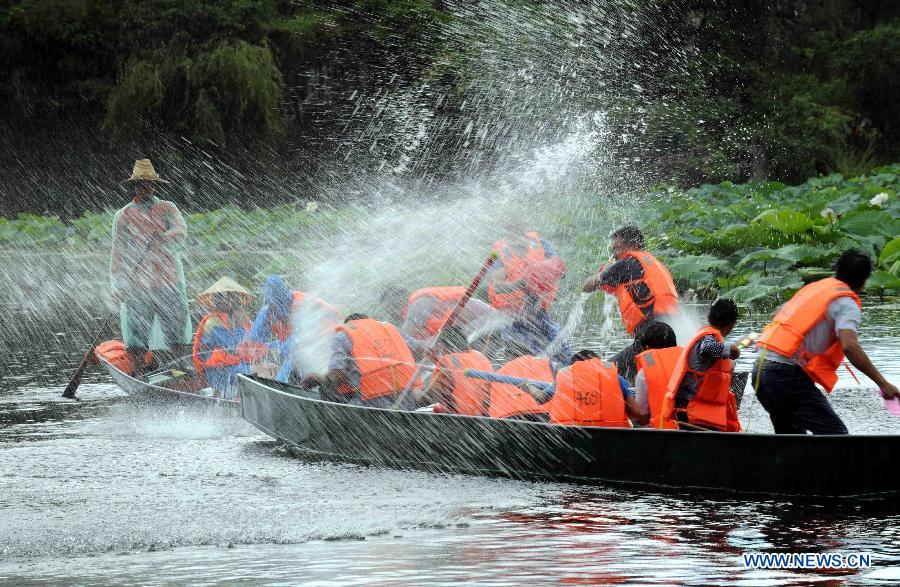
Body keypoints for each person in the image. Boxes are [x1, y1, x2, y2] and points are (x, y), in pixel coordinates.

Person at [754, 250, 899, 435]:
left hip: (760, 368)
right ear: (863, 281)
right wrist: (883, 383)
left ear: (837, 270)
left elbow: (777, 314)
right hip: (785, 374)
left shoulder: (815, 288)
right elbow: (849, 346)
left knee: (790, 438)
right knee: (836, 436)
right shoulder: (846, 302)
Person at [110, 159, 192, 375]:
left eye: (149, 183)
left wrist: (164, 237)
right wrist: (118, 285)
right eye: (141, 184)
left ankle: (180, 368)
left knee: (175, 323)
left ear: (155, 186)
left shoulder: (167, 208)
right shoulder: (124, 215)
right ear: (134, 186)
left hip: (168, 280)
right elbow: (118, 252)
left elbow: (181, 232)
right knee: (136, 328)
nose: (146, 187)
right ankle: (137, 371)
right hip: (137, 283)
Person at [304, 313, 419, 409]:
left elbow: (337, 375)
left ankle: (333, 429)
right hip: (406, 401)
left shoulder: (343, 335)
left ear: (349, 324)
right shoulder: (391, 330)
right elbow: (421, 350)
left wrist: (318, 379)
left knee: (326, 389)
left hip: (371, 406)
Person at [488, 230, 570, 363]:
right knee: (521, 357)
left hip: (540, 314)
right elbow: (498, 286)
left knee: (564, 354)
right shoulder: (501, 253)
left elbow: (561, 270)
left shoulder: (542, 245)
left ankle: (560, 374)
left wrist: (543, 274)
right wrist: (524, 283)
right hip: (512, 318)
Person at [582, 225, 679, 337]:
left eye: (617, 248)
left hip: (650, 334)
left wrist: (605, 269)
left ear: (634, 245)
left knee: (589, 356)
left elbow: (587, 286)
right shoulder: (653, 264)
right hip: (670, 330)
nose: (614, 255)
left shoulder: (626, 264)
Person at [241, 276, 342, 381]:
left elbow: (299, 343)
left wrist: (271, 348)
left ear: (285, 298)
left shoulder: (302, 305)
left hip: (330, 340)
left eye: (277, 304)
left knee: (297, 357)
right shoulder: (268, 311)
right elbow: (251, 342)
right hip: (300, 347)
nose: (273, 308)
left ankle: (291, 389)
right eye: (271, 304)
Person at [663, 299, 741, 432]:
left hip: (699, 413)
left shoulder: (707, 336)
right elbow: (707, 348)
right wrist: (731, 349)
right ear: (732, 324)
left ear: (709, 317)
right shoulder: (708, 339)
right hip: (691, 413)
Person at [542, 350, 642, 427]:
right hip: (611, 437)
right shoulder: (615, 377)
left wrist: (528, 385)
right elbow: (636, 412)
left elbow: (542, 398)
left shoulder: (564, 378)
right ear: (598, 362)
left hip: (571, 438)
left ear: (572, 367)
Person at [191, 277, 254, 398]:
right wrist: (240, 325)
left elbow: (255, 340)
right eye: (221, 297)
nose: (234, 301)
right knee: (251, 373)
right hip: (218, 370)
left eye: (234, 297)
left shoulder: (238, 318)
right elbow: (233, 346)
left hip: (235, 366)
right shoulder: (213, 322)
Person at [425, 325, 494, 415]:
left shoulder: (446, 361)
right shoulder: (479, 357)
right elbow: (461, 371)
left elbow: (428, 396)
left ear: (441, 346)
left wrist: (415, 390)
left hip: (459, 418)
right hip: (485, 418)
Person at [399, 286, 502, 342]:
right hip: (487, 322)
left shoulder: (418, 305)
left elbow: (405, 340)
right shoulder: (419, 303)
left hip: (490, 322)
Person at [488, 337, 555, 421]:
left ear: (508, 356)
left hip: (505, 418)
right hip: (542, 414)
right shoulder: (543, 363)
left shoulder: (498, 374)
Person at [633, 322, 681, 428]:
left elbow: (643, 417)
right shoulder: (689, 362)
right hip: (693, 427)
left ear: (647, 348)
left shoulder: (644, 373)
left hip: (662, 432)